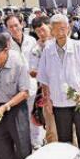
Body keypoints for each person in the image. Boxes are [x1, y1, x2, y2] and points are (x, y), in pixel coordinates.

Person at [38, 14, 80, 153]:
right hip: (59, 103)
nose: (60, 32)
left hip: (79, 102)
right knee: (64, 141)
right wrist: (48, 100)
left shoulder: (78, 46)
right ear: (52, 30)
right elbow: (44, 79)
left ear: (68, 28)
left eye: (63, 28)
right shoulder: (47, 50)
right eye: (56, 29)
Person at [5, 14, 42, 148]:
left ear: (22, 24)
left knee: (34, 115)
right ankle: (22, 144)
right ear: (7, 28)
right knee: (19, 118)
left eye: (16, 25)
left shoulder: (32, 40)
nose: (14, 29)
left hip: (32, 84)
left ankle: (36, 143)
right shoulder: (7, 44)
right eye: (11, 27)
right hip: (15, 88)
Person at [29, 15, 57, 144]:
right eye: (37, 31)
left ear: (50, 26)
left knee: (71, 126)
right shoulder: (35, 49)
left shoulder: (60, 42)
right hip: (47, 93)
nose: (41, 33)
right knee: (51, 128)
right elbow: (33, 71)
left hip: (66, 91)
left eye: (42, 29)